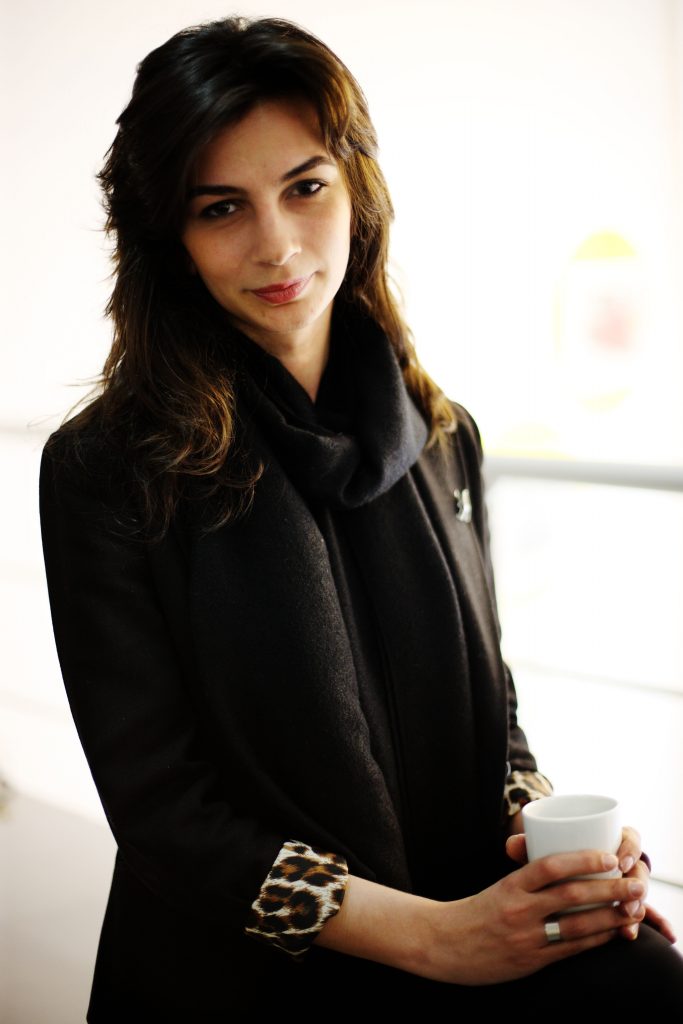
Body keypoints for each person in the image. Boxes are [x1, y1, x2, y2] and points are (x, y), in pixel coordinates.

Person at [38, 14, 683, 1019]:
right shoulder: (109, 469)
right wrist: (437, 940)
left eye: (305, 187)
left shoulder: (440, 433)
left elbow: (491, 716)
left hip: (466, 899)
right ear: (170, 237)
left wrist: (554, 842)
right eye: (221, 207)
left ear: (356, 191)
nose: (277, 244)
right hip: (255, 965)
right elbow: (166, 814)